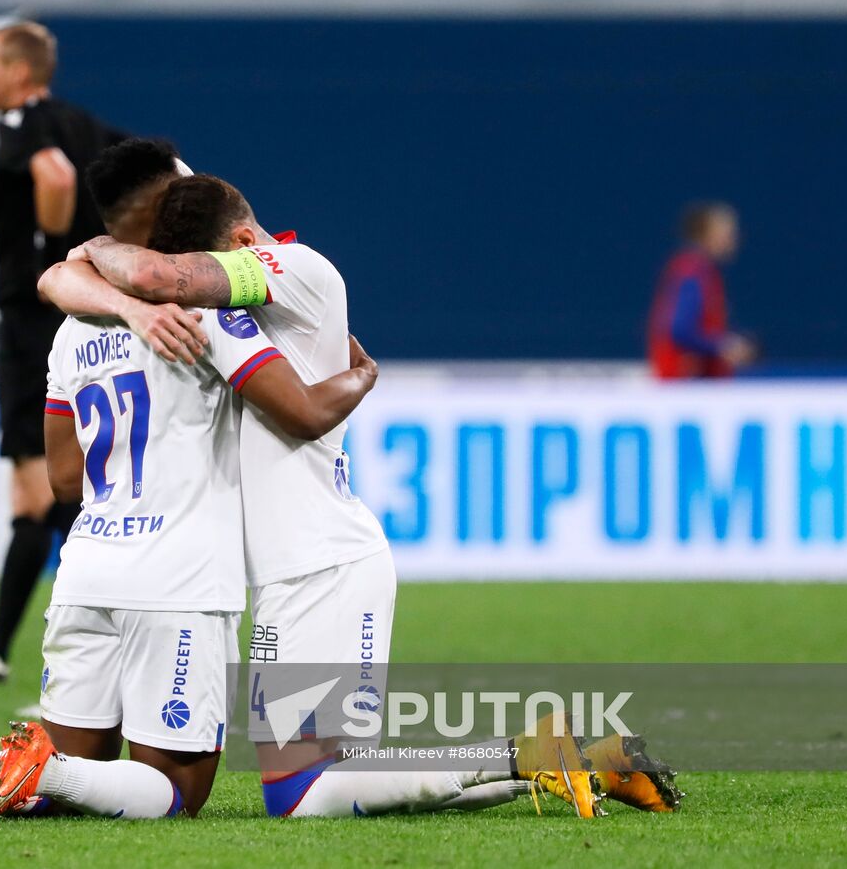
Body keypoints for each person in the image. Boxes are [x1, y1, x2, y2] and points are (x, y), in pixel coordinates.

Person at [41, 147, 681, 818]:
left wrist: (91, 247)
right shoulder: (247, 314)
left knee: (304, 793)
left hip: (325, 563)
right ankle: (571, 759)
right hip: (295, 572)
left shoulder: (294, 266)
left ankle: (532, 755)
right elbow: (138, 276)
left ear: (240, 246)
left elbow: (157, 275)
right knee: (321, 784)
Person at [0, 228, 385, 822]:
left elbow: (63, 479)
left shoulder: (71, 333)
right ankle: (40, 765)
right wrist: (360, 371)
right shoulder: (205, 316)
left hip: (86, 568)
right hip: (178, 579)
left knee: (66, 787)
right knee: (176, 793)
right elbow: (299, 408)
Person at [0, 20, 131, 682]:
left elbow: (54, 174)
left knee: (33, 489)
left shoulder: (22, 125)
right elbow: (165, 173)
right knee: (73, 486)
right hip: (89, 323)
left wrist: (50, 243)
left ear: (20, 72)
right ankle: (105, 641)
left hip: (34, 321)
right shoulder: (87, 123)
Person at [648, 201, 757, 380]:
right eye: (728, 232)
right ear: (706, 234)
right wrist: (725, 346)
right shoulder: (692, 271)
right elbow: (679, 330)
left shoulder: (702, 271)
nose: (734, 238)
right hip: (686, 388)